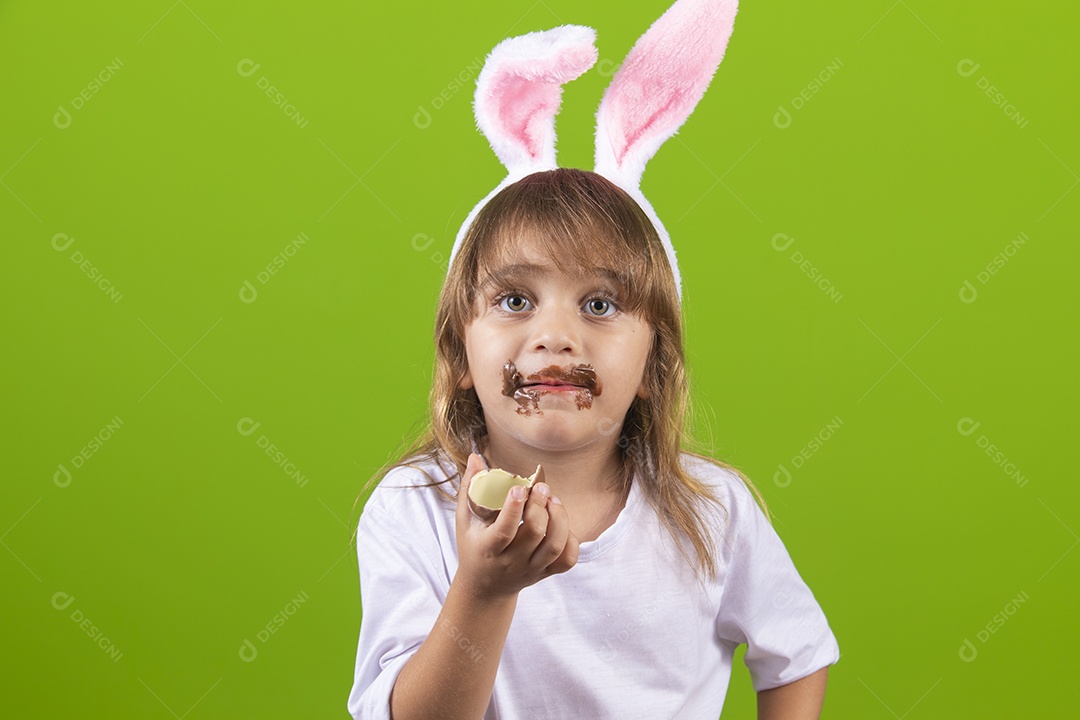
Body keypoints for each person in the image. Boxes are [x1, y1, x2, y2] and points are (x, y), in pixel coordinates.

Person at [349, 2, 839, 718]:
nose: (556, 336)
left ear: (653, 365)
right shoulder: (412, 510)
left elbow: (798, 654)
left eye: (601, 305)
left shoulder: (712, 512)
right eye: (515, 301)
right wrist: (484, 589)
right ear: (459, 353)